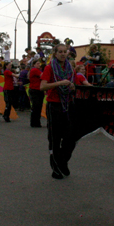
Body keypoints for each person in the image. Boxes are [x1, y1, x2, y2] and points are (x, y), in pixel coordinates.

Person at [41, 43, 76, 179]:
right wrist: (59, 83)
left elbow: (74, 84)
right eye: (60, 52)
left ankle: (63, 161)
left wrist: (72, 86)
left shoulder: (69, 68)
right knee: (55, 138)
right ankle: (55, 167)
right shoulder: (50, 68)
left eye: (64, 51)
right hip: (54, 105)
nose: (62, 54)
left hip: (67, 105)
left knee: (70, 138)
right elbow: (42, 86)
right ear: (55, 54)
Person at [28, 60, 44, 127]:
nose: (39, 65)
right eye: (37, 63)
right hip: (35, 90)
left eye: (39, 63)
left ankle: (36, 122)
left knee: (38, 107)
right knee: (36, 106)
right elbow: (43, 76)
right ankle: (34, 122)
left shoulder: (37, 70)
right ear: (34, 64)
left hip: (38, 90)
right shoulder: (35, 70)